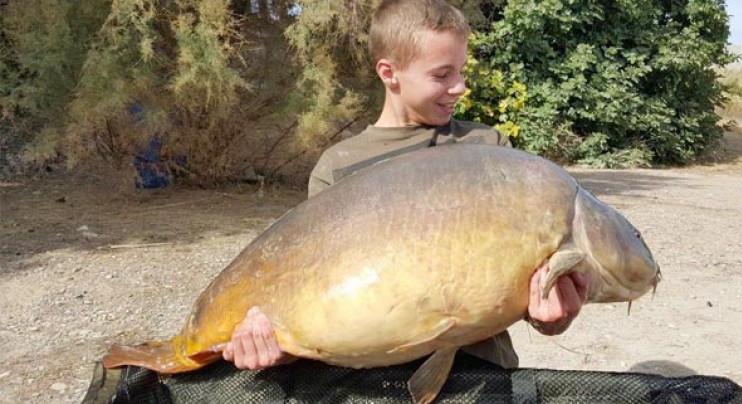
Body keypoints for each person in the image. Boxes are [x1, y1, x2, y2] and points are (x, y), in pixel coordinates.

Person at [222, 0, 588, 371]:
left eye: (461, 70)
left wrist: (549, 315)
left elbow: (520, 276)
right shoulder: (338, 167)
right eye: (442, 74)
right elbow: (318, 299)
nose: (460, 87)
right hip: (371, 384)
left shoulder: (489, 151)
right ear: (389, 72)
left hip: (483, 375)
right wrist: (278, 341)